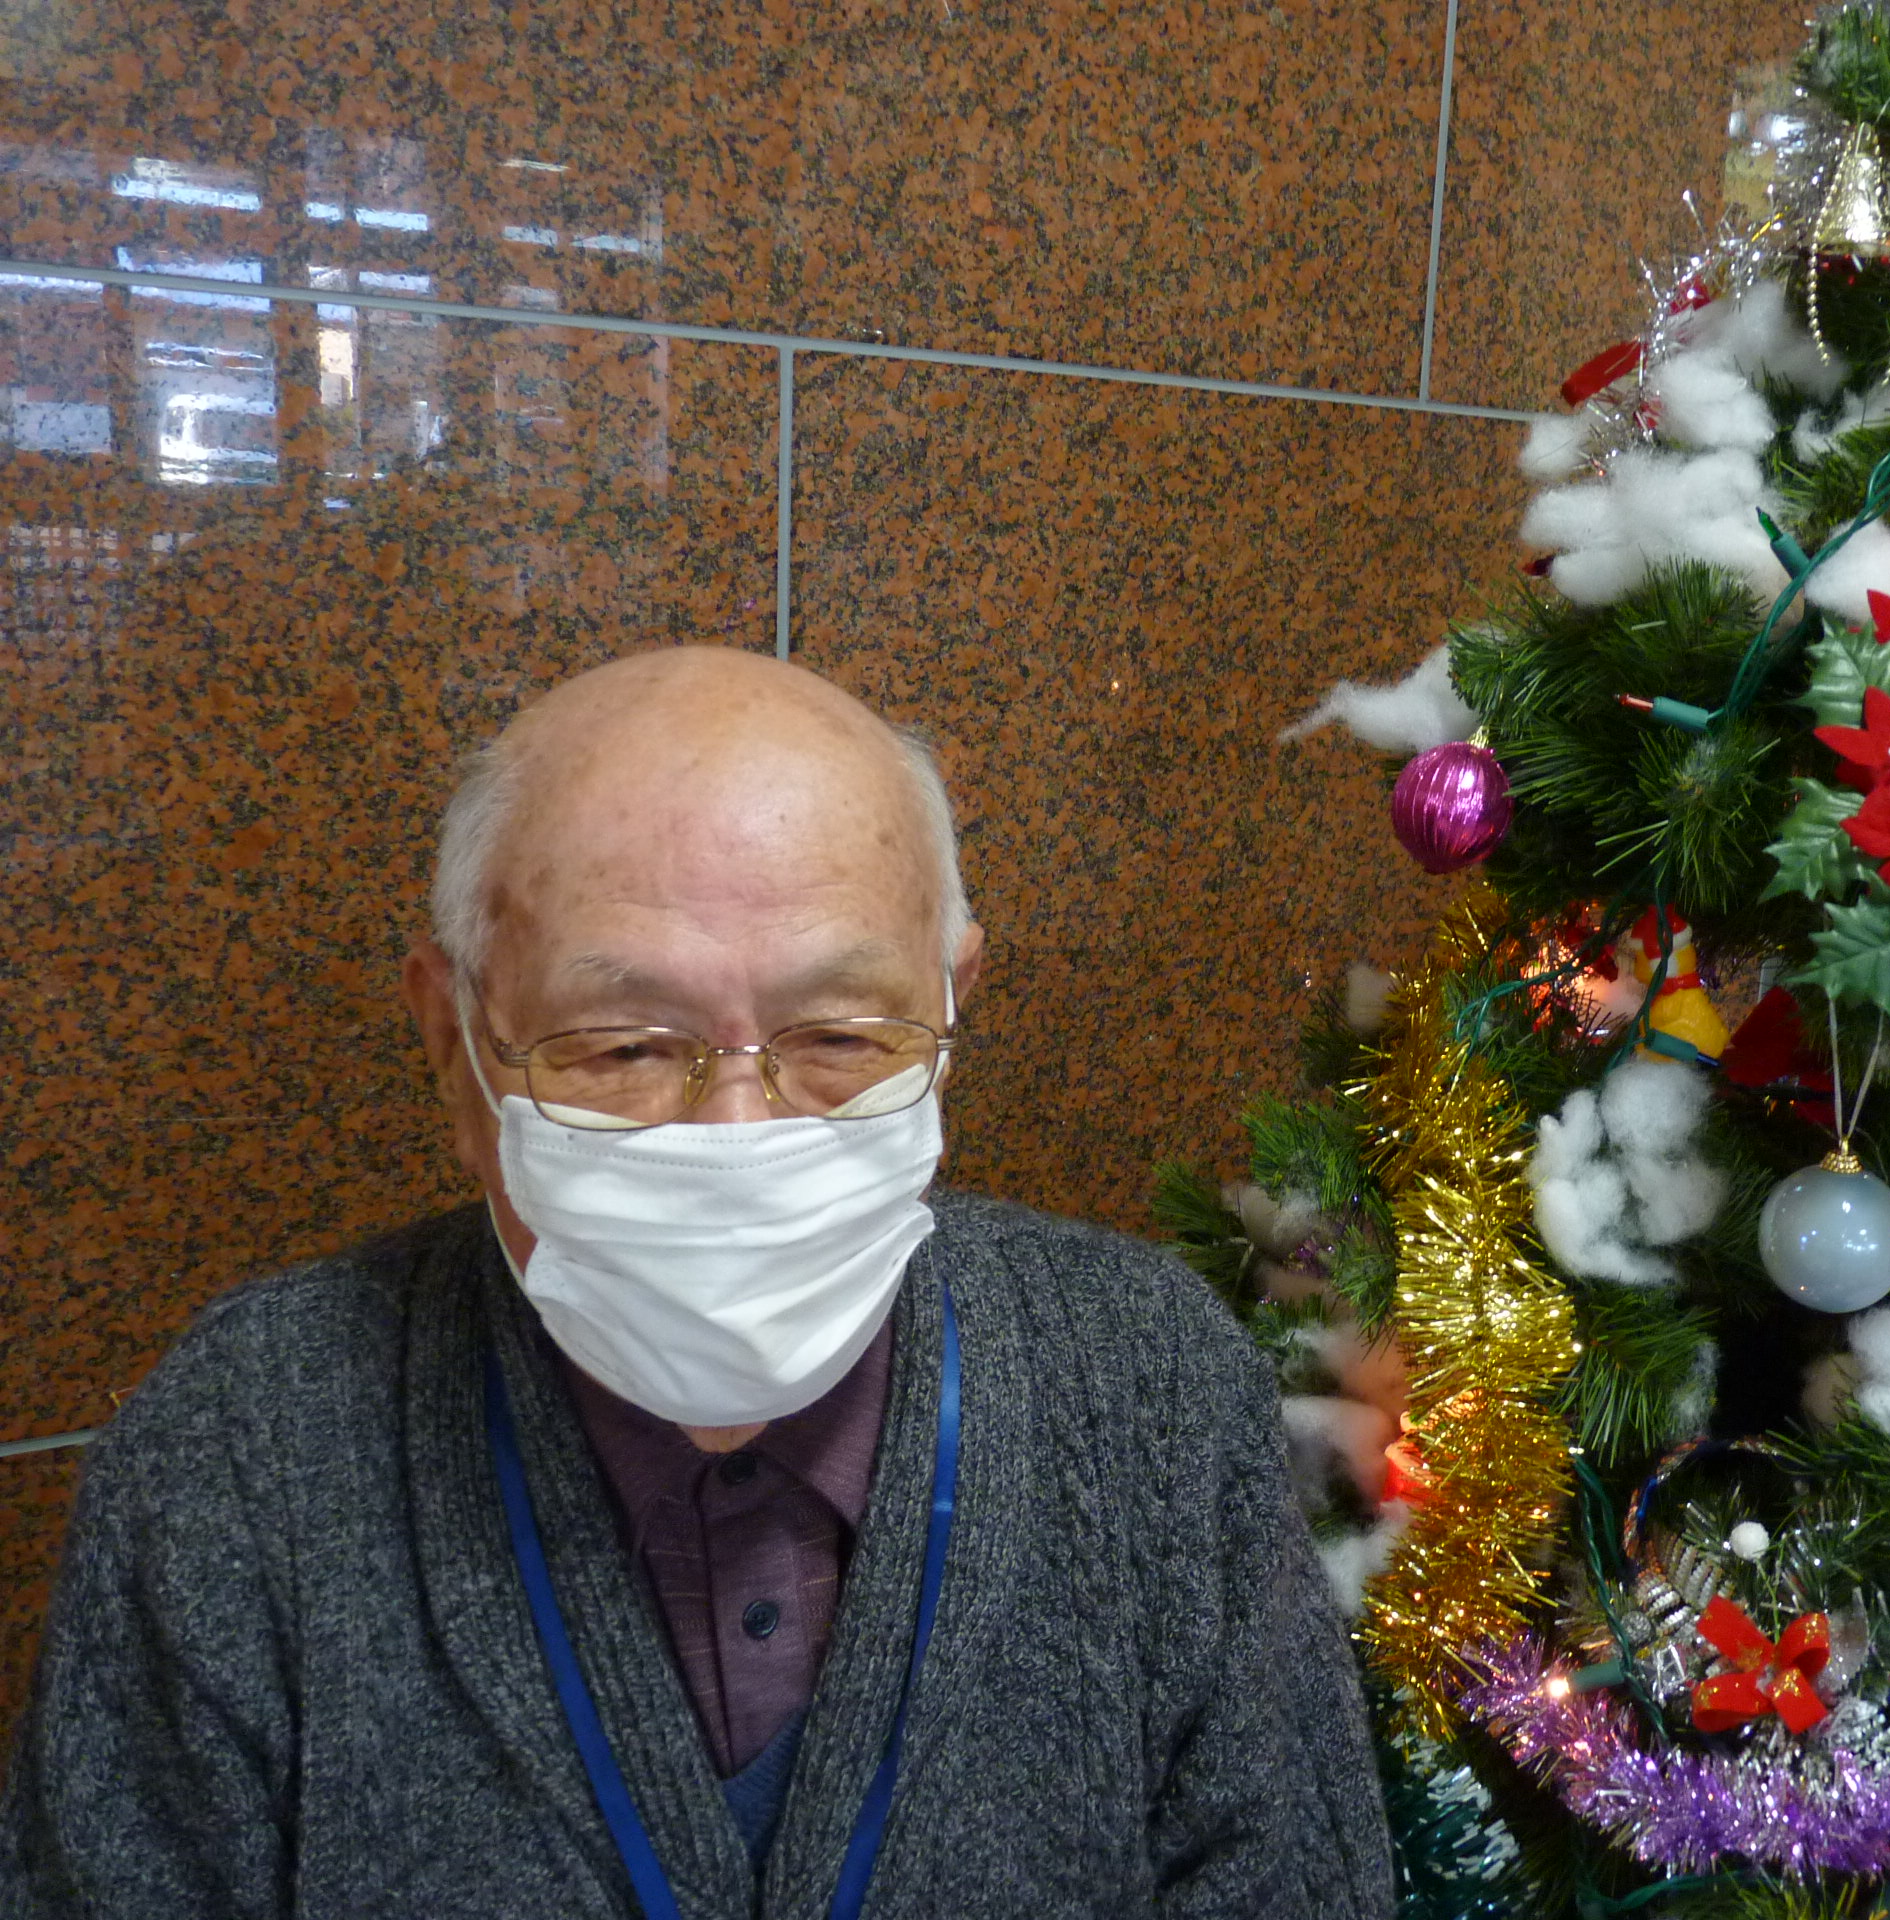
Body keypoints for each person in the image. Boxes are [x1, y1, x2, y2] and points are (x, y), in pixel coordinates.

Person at [0, 647, 1393, 1918]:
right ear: (454, 1045)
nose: (739, 1136)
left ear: (951, 1007)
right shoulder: (240, 1452)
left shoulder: (1146, 1381)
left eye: (840, 1034)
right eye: (621, 1047)